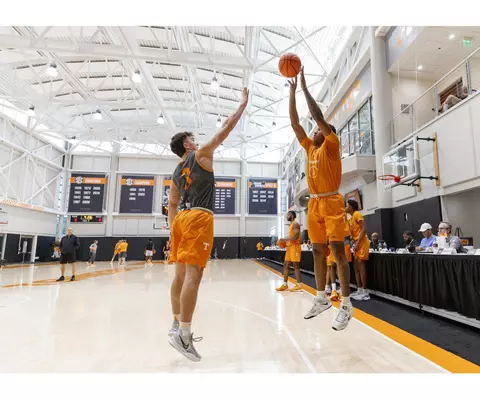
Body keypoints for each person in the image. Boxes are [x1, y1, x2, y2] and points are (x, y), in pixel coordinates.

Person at [167, 87, 249, 361]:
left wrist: (172, 232)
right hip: (200, 217)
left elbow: (173, 205)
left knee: (179, 277)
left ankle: (176, 323)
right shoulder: (201, 154)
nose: (197, 139)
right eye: (193, 138)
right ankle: (185, 336)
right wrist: (242, 105)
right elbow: (225, 129)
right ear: (188, 145)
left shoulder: (176, 172)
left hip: (180, 221)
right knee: (194, 277)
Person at [288, 67, 352, 331]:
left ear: (327, 133)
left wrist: (303, 88)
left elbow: (317, 116)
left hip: (332, 202)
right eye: (313, 130)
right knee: (316, 250)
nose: (313, 131)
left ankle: (346, 305)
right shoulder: (309, 147)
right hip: (314, 203)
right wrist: (291, 94)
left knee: (337, 252)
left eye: (317, 129)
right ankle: (321, 297)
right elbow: (295, 123)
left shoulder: (331, 144)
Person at [346, 199, 370, 301]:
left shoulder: (357, 214)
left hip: (362, 242)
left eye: (347, 205)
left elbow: (364, 229)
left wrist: (358, 243)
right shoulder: (350, 219)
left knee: (361, 265)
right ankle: (359, 289)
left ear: (351, 206)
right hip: (356, 243)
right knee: (356, 267)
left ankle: (365, 292)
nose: (345, 208)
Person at [326, 218, 352, 301]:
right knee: (332, 266)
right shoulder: (330, 218)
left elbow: (347, 235)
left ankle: (342, 291)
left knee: (340, 267)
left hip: (343, 245)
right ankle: (334, 290)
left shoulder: (342, 217)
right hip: (333, 244)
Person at [276, 211, 302, 292]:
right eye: (287, 214)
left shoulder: (296, 224)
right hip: (290, 247)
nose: (287, 216)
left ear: (293, 216)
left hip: (295, 247)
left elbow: (294, 237)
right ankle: (285, 285)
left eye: (289, 214)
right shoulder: (290, 225)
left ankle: (299, 284)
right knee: (286, 264)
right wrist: (285, 243)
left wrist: (284, 239)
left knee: (296, 265)